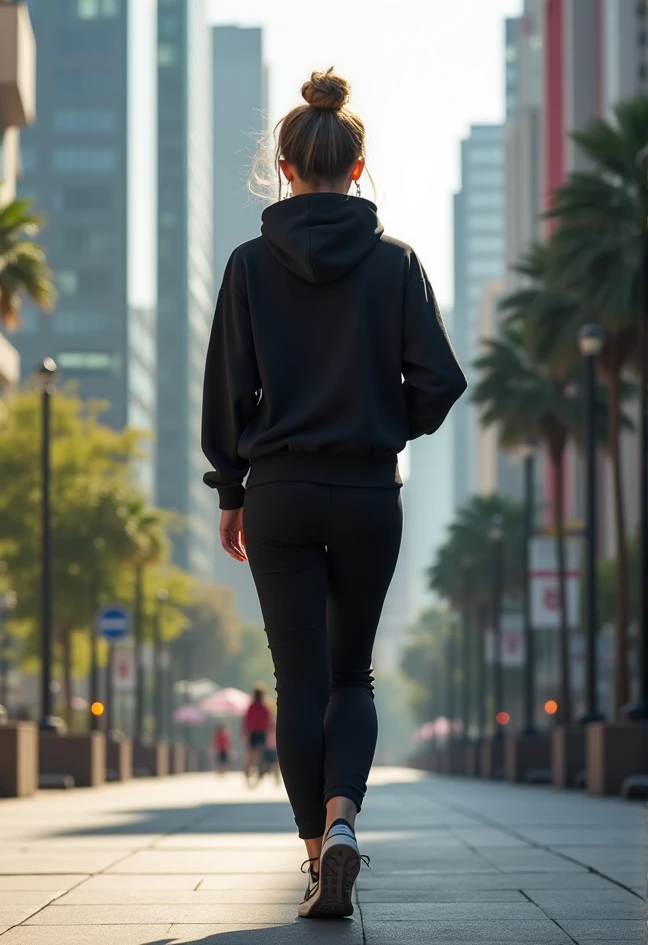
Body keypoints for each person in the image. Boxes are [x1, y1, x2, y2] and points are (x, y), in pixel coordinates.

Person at [201, 67, 466, 919]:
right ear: (358, 168)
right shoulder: (396, 265)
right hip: (364, 492)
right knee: (354, 674)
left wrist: (230, 488)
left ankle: (316, 860)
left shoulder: (247, 266)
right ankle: (345, 823)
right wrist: (381, 418)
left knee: (299, 682)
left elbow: (226, 392)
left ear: (282, 166)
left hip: (276, 491)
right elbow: (439, 381)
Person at [241, 684, 272, 783]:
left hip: (256, 733)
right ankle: (250, 771)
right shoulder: (262, 706)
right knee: (256, 754)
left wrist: (245, 732)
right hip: (258, 733)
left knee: (253, 754)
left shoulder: (256, 707)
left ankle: (251, 771)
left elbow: (247, 721)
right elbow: (268, 721)